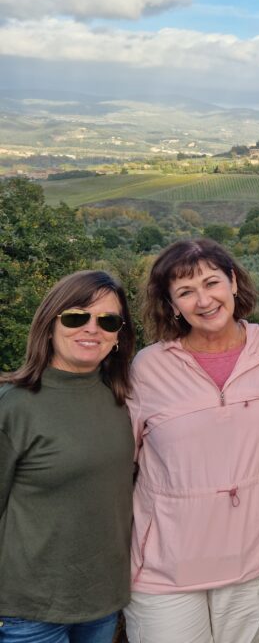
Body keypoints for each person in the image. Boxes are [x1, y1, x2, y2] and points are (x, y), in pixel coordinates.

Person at [124, 238, 259, 643]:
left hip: (250, 562)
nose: (203, 300)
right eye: (185, 291)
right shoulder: (148, 367)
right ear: (171, 304)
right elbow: (120, 458)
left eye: (212, 283)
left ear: (233, 282)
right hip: (165, 568)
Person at [0, 270, 136, 643]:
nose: (92, 328)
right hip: (28, 612)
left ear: (118, 336)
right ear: (50, 324)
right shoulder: (13, 405)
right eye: (76, 317)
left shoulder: (122, 399)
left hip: (102, 603)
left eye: (108, 321)